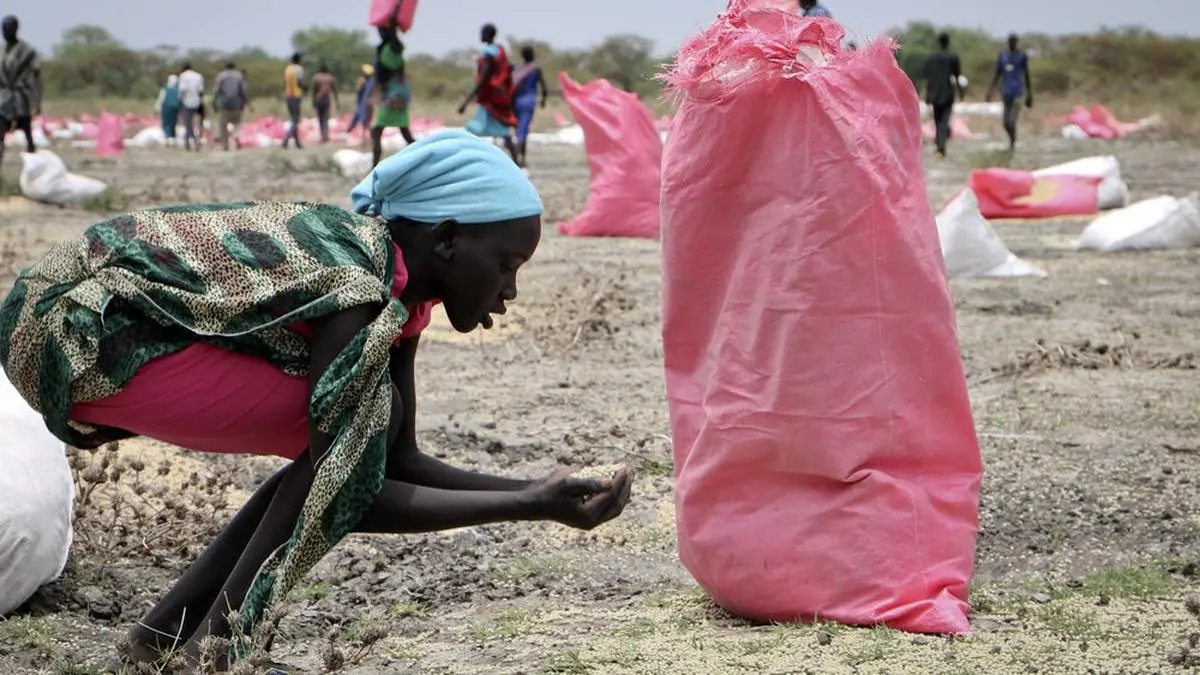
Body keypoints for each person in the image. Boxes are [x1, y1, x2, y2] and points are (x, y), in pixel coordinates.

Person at [0, 129, 635, 671]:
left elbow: (400, 461)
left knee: (354, 434)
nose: (511, 289)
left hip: (94, 327)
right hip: (73, 330)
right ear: (446, 239)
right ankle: (214, 651)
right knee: (345, 444)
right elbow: (349, 489)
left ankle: (159, 641)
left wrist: (537, 488)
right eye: (505, 265)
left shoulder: (401, 298)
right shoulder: (357, 286)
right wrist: (528, 505)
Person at [459, 23, 519, 163]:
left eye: (483, 33)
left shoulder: (488, 53)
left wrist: (466, 101)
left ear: (488, 35)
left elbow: (484, 77)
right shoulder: (500, 51)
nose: (481, 36)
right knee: (503, 133)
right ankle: (517, 163)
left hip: (490, 99)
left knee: (471, 130)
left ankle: (467, 161)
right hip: (498, 97)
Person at [0, 15, 42, 170]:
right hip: (4, 98)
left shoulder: (27, 51)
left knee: (27, 133)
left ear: (16, 29)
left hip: (21, 98)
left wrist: (37, 101)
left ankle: (33, 168)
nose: (5, 32)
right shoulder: (1, 49)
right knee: (0, 133)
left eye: (8, 28)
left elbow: (37, 75)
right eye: (3, 28)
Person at [371, 25, 417, 168]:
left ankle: (374, 167)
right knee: (404, 132)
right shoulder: (384, 47)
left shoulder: (395, 46)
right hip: (392, 89)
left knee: (378, 130)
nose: (380, 33)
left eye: (383, 30)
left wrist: (392, 17)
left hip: (397, 91)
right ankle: (424, 155)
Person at [986, 33, 1033, 150]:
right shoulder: (1003, 56)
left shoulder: (1022, 56)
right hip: (1006, 92)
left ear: (1016, 42)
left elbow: (1026, 75)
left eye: (1014, 41)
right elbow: (997, 74)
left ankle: (1013, 142)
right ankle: (1012, 139)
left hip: (1018, 92)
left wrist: (1030, 94)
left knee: (1012, 120)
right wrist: (990, 90)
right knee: (1005, 122)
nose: (1012, 44)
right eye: (1010, 41)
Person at [922, 32, 965, 159]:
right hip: (947, 92)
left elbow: (928, 77)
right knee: (944, 120)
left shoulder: (932, 57)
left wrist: (928, 94)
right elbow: (957, 76)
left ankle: (939, 145)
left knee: (937, 119)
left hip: (935, 93)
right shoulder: (953, 57)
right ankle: (941, 145)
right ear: (948, 42)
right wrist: (961, 91)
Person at [511, 46, 547, 169]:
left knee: (519, 130)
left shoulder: (517, 69)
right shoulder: (535, 69)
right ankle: (517, 156)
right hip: (529, 101)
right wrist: (543, 101)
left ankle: (521, 158)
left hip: (516, 101)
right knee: (523, 130)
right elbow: (544, 87)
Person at [213, 61, 249, 151]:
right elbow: (242, 91)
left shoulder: (221, 76)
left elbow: (217, 90)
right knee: (237, 122)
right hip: (237, 102)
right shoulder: (239, 76)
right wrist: (245, 101)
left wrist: (214, 102)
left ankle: (225, 144)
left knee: (223, 124)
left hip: (224, 102)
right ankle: (235, 136)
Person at [178, 62, 205, 151]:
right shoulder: (198, 76)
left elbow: (182, 90)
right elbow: (201, 91)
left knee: (187, 123)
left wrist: (180, 100)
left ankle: (189, 141)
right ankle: (197, 140)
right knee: (198, 123)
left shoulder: (183, 76)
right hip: (197, 102)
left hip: (186, 102)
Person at [311, 62, 339, 144]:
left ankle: (323, 136)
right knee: (325, 119)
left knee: (320, 118)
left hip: (318, 99)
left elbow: (314, 90)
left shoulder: (316, 78)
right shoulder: (330, 78)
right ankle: (325, 136)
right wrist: (337, 102)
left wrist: (313, 100)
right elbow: (334, 91)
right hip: (326, 99)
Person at [347, 63, 376, 140]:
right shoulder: (373, 81)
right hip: (369, 103)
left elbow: (359, 91)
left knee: (362, 120)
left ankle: (350, 132)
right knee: (366, 121)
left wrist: (360, 85)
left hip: (363, 103)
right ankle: (368, 136)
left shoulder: (363, 81)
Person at [283, 52, 306, 149]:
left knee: (293, 119)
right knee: (296, 120)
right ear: (299, 60)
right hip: (296, 95)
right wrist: (305, 88)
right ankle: (286, 139)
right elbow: (300, 81)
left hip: (288, 95)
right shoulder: (299, 69)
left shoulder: (287, 69)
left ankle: (297, 142)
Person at [154, 74, 181, 147]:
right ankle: (173, 137)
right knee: (173, 123)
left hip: (166, 107)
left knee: (166, 123)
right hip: (176, 108)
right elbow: (180, 99)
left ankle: (168, 138)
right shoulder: (178, 90)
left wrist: (156, 108)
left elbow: (161, 99)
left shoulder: (165, 89)